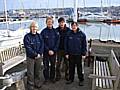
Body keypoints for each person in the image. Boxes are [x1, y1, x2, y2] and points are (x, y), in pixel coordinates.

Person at [65, 22, 87, 86]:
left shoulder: (82, 34)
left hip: (79, 54)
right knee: (71, 68)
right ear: (71, 27)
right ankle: (71, 79)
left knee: (79, 68)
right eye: (72, 26)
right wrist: (66, 53)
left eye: (75, 25)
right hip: (71, 54)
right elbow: (66, 44)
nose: (74, 27)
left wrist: (84, 54)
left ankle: (81, 80)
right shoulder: (68, 34)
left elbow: (84, 45)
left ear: (77, 26)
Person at [24, 21, 44, 90]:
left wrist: (39, 54)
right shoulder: (27, 37)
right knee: (30, 72)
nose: (34, 28)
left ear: (37, 28)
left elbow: (42, 45)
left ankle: (37, 83)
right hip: (30, 57)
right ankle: (30, 86)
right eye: (32, 27)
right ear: (30, 28)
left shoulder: (39, 36)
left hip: (39, 57)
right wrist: (35, 54)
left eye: (35, 27)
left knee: (37, 71)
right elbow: (28, 47)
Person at [41, 17, 59, 84]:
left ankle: (52, 78)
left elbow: (58, 42)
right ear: (46, 23)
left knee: (53, 65)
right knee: (46, 66)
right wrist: (48, 50)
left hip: (53, 52)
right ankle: (46, 78)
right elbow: (42, 42)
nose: (49, 23)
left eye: (50, 22)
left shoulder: (55, 31)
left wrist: (54, 50)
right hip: (46, 52)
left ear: (52, 23)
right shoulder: (43, 32)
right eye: (48, 22)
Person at [55, 17, 70, 81]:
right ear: (58, 23)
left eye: (62, 22)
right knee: (58, 64)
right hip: (59, 50)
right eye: (60, 22)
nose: (61, 24)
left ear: (64, 22)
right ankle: (58, 75)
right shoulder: (56, 30)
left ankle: (67, 75)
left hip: (66, 50)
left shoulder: (68, 30)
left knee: (67, 64)